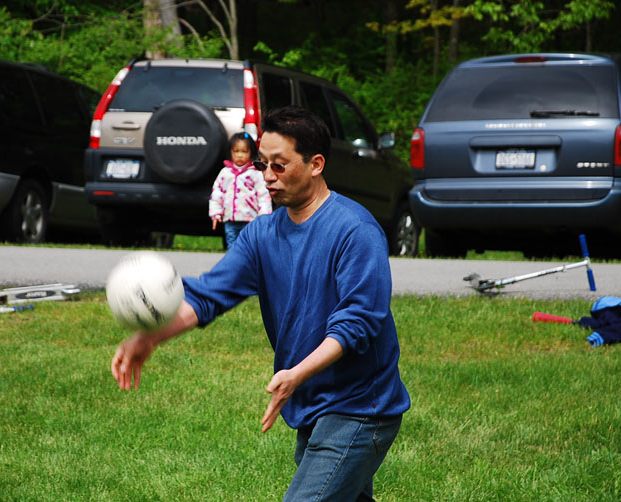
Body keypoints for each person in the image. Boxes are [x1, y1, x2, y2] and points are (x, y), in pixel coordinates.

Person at [111, 106, 410, 501]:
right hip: (315, 405)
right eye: (261, 164)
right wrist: (151, 336)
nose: (267, 176)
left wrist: (296, 374)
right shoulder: (262, 234)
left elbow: (357, 323)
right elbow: (208, 294)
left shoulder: (355, 230)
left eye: (279, 165)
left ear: (316, 164)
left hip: (360, 407)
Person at [209, 132, 272, 249]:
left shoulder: (255, 174)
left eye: (244, 151)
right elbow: (217, 193)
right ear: (230, 152)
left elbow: (263, 196)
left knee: (250, 247)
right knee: (232, 247)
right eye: (236, 151)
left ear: (251, 152)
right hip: (230, 221)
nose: (240, 155)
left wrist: (264, 217)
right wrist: (216, 213)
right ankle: (232, 261)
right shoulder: (225, 173)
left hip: (250, 221)